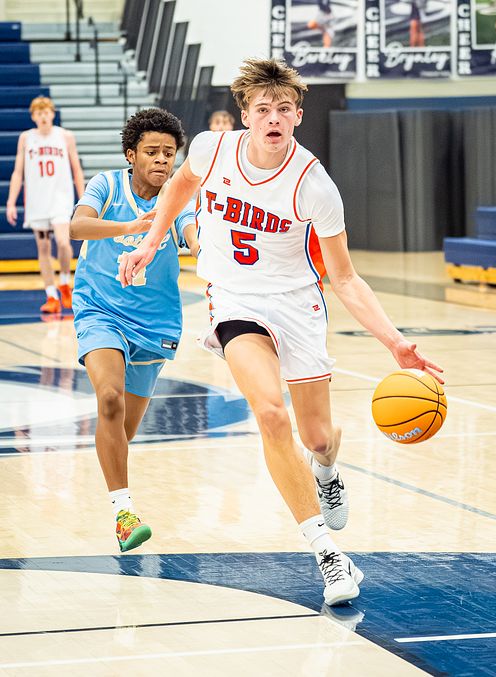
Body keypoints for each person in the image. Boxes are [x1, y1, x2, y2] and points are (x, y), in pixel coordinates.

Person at [119, 59, 444, 605]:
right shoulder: (212, 149)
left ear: (297, 116)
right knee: (270, 414)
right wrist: (152, 242)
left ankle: (327, 469)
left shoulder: (315, 185)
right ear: (245, 115)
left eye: (284, 109)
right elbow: (181, 186)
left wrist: (395, 342)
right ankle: (329, 555)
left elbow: (344, 277)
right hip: (235, 301)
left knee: (316, 437)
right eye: (263, 108)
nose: (274, 117)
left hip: (297, 305)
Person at [70, 108, 197, 553]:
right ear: (131, 154)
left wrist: (204, 248)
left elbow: (193, 233)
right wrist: (131, 227)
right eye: (152, 151)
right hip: (99, 309)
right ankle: (124, 513)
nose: (162, 160)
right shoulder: (107, 185)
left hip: (155, 322)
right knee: (109, 398)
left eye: (169, 153)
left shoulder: (179, 197)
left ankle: (112, 479)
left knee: (122, 432)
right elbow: (77, 225)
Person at [6, 96, 85, 313]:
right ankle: (51, 295)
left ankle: (65, 282)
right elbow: (17, 172)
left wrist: (83, 198)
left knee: (63, 242)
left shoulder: (65, 136)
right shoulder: (26, 138)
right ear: (33, 116)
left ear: (52, 114)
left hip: (60, 197)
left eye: (46, 112)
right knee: (42, 247)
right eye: (38, 113)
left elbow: (77, 169)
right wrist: (11, 202)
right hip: (37, 200)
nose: (43, 116)